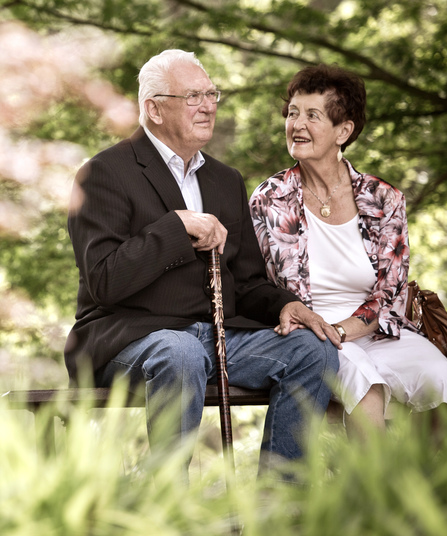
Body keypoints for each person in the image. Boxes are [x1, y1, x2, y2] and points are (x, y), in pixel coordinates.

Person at [64, 49, 340, 475]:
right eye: (193, 96)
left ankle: (279, 506)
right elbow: (104, 280)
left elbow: (245, 282)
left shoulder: (224, 180)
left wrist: (283, 304)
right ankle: (168, 506)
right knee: (181, 351)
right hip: (132, 339)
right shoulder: (103, 173)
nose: (208, 105)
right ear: (154, 109)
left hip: (218, 338)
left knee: (312, 350)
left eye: (211, 93)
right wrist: (176, 228)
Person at [249, 64, 447, 439]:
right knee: (366, 385)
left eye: (312, 115)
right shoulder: (271, 198)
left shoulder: (384, 198)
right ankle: (370, 494)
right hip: (309, 337)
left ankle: (433, 486)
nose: (297, 124)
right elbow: (263, 283)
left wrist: (345, 331)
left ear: (343, 131)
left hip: (374, 330)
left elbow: (389, 292)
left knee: (437, 377)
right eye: (293, 113)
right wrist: (328, 334)